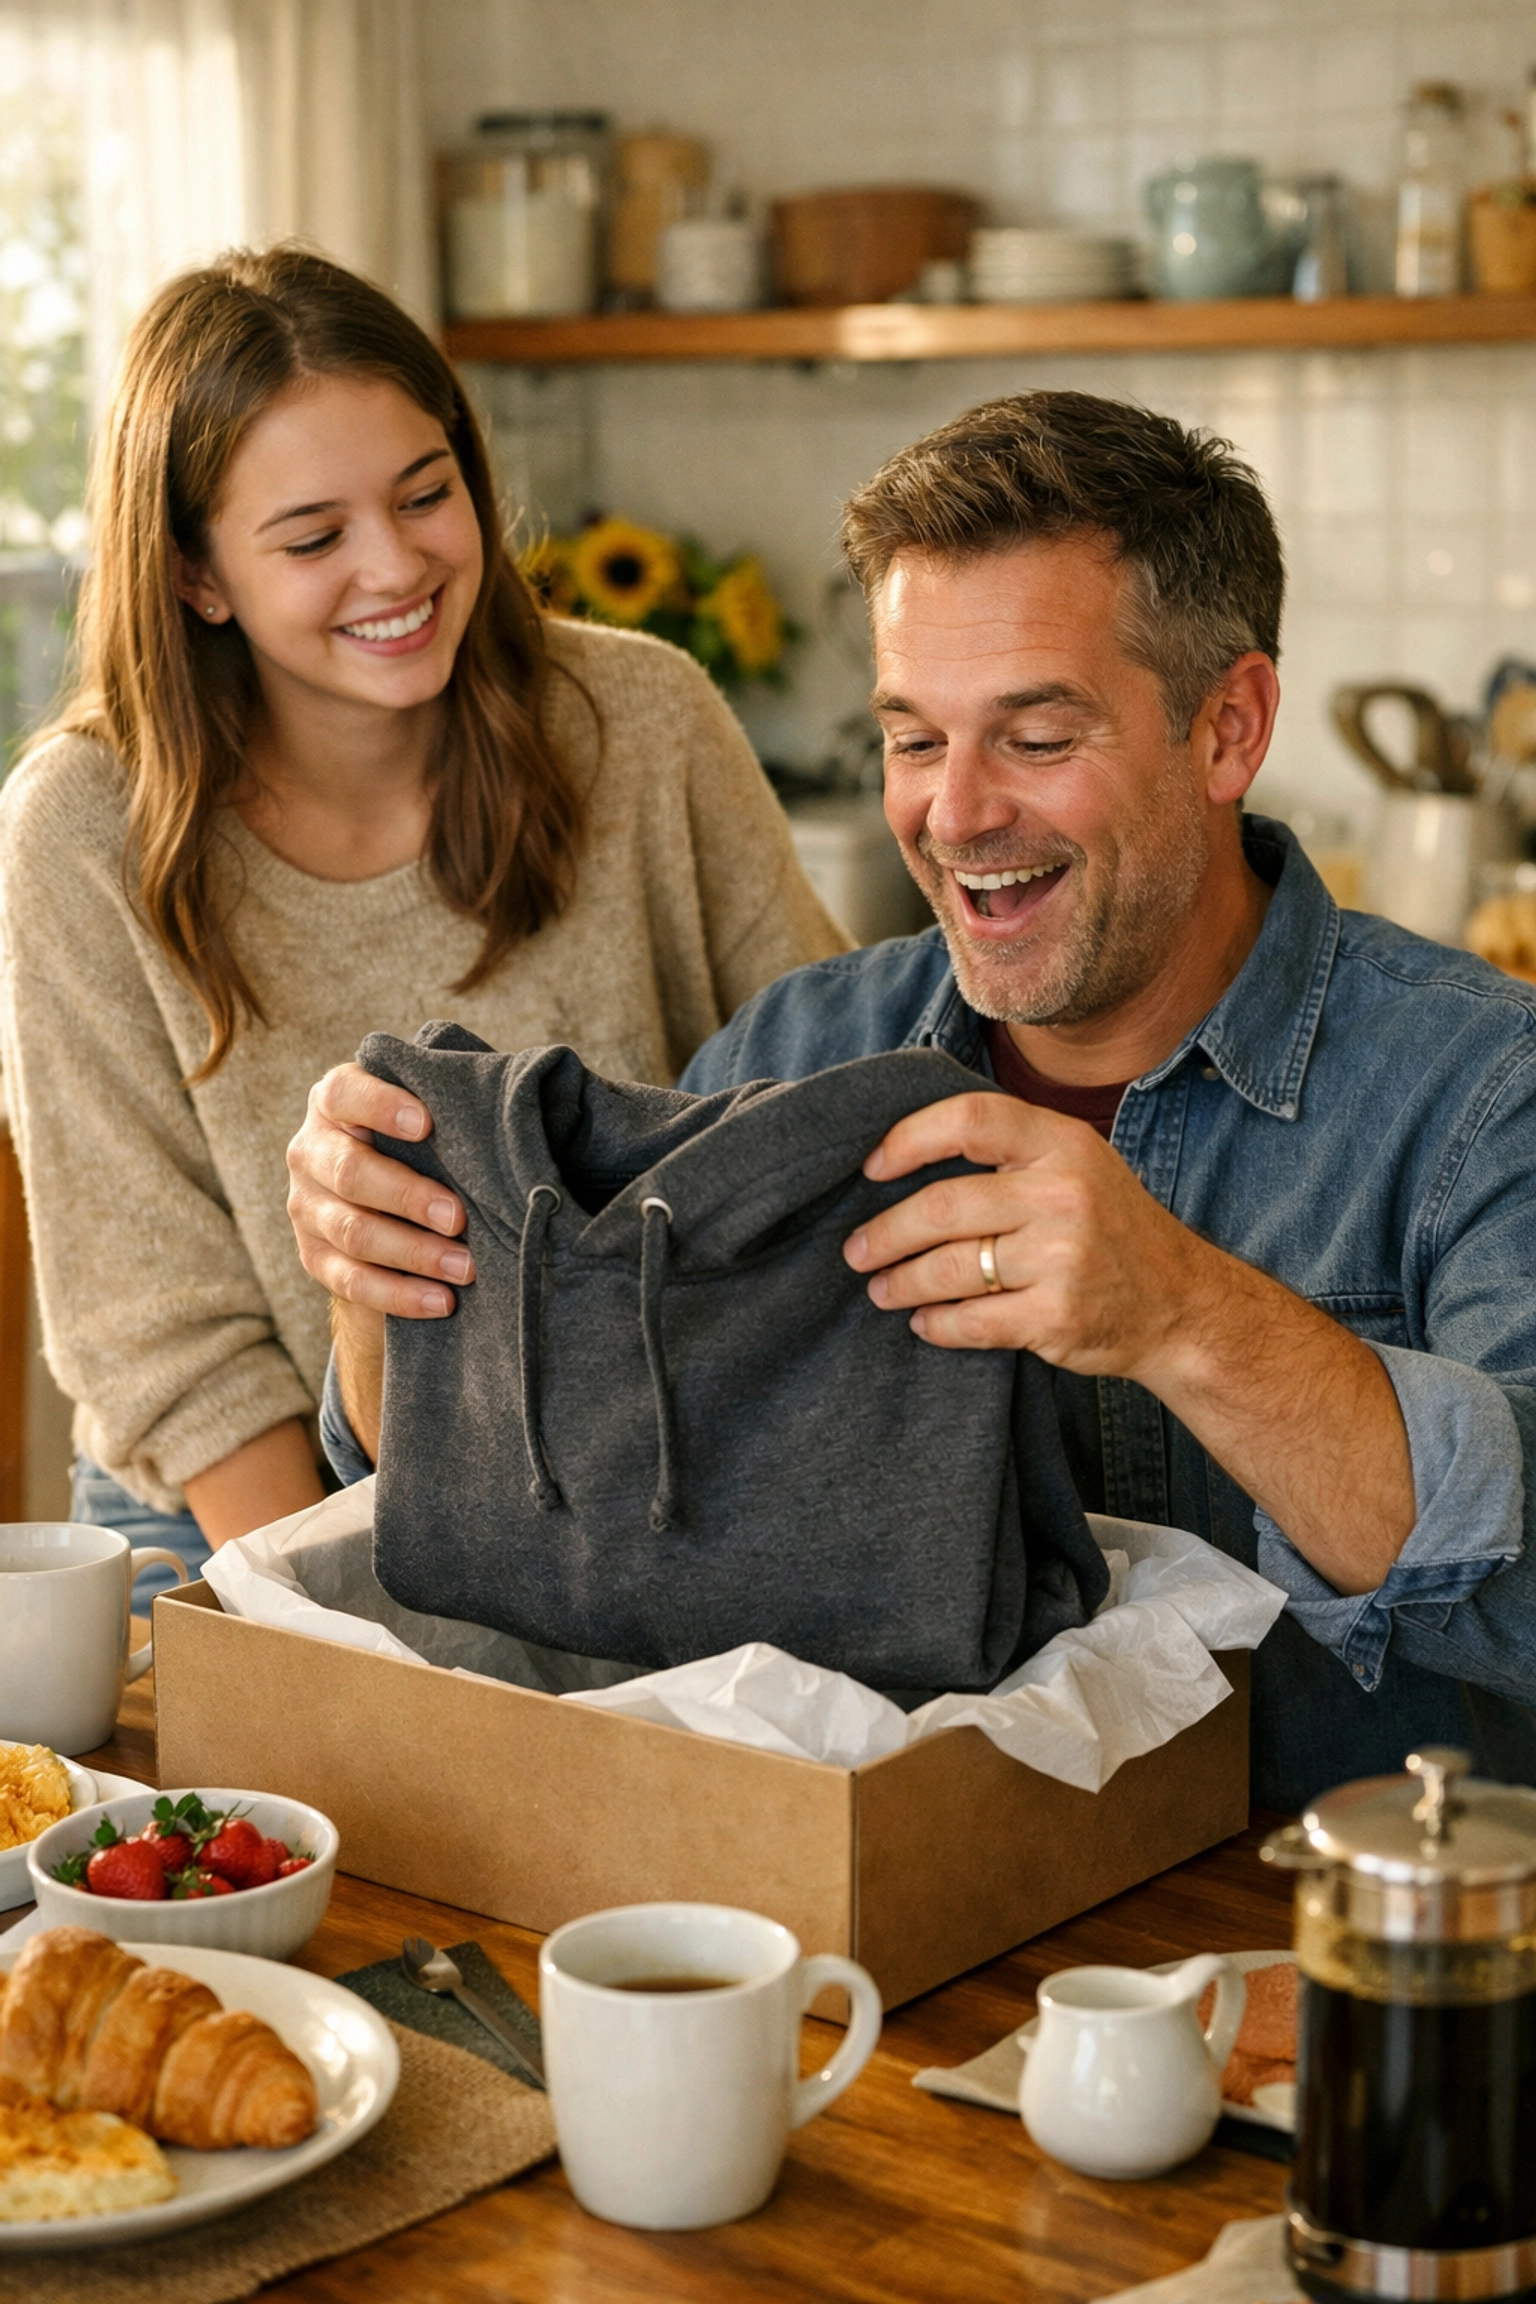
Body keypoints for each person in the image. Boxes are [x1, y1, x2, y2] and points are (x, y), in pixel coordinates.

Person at [289, 391, 1536, 1811]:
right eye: (914, 739)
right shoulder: (799, 1051)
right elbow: (549, 1520)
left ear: (1227, 730)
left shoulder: (1484, 1091)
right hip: (880, 1916)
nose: (955, 815)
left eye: (1037, 737)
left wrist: (1182, 1312)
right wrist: (379, 1286)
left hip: (1335, 1935)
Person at [0, 243, 843, 1593]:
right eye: (313, 538)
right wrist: (367, 1646)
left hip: (638, 1486)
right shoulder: (81, 827)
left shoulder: (643, 719)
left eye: (425, 493)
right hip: (243, 1520)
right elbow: (162, 1337)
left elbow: (821, 1100)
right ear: (197, 576)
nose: (396, 567)